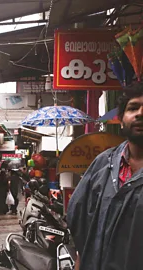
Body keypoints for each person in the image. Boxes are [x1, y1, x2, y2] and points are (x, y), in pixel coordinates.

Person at [67, 84, 143, 270]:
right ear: (122, 121)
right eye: (133, 108)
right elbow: (83, 232)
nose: (140, 113)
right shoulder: (103, 164)